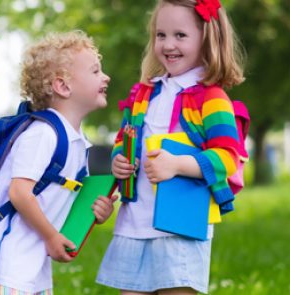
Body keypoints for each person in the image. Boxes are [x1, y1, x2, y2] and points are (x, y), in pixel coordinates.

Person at [96, 0, 245, 294]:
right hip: (135, 225)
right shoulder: (142, 93)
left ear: (207, 38)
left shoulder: (211, 97)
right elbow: (122, 142)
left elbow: (229, 157)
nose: (168, 44)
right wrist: (119, 161)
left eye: (180, 35)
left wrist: (177, 165)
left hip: (181, 226)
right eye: (161, 35)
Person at [0, 30, 115, 295]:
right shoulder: (42, 134)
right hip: (6, 267)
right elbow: (19, 192)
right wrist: (50, 236)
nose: (105, 77)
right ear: (63, 86)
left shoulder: (77, 142)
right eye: (95, 71)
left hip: (34, 268)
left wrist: (96, 213)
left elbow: (65, 199)